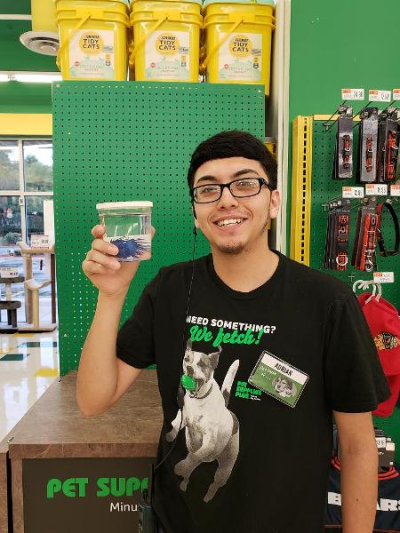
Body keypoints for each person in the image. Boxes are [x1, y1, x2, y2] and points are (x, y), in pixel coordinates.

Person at [78, 130, 390, 533]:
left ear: (273, 201)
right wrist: (111, 294)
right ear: (196, 213)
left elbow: (357, 445)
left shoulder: (328, 302)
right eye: (208, 190)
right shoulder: (170, 289)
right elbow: (92, 400)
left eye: (245, 184)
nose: (226, 200)